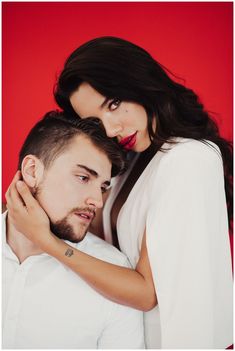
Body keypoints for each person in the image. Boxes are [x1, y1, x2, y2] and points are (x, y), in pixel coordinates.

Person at [6, 37, 233, 349]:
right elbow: (96, 245)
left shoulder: (188, 158)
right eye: (95, 121)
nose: (111, 129)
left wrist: (46, 241)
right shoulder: (132, 161)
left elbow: (145, 294)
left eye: (113, 104)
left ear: (140, 82)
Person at [3, 111, 145, 349]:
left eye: (103, 186)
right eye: (82, 177)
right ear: (32, 171)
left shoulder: (114, 273)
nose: (97, 201)